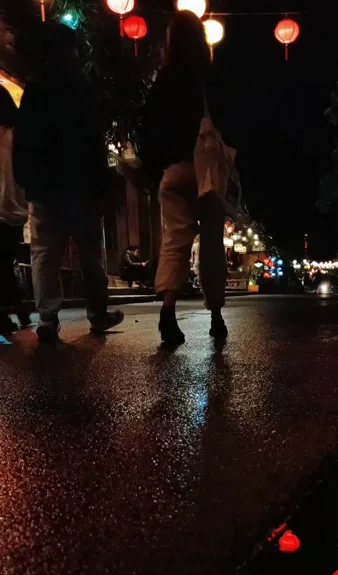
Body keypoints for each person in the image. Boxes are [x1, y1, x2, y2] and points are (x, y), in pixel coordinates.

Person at [13, 21, 123, 342]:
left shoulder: (34, 90)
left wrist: (25, 179)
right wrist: (101, 186)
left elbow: (23, 142)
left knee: (44, 253)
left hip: (44, 188)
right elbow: (92, 142)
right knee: (90, 253)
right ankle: (97, 315)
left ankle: (47, 318)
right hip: (80, 187)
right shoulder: (79, 87)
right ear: (69, 51)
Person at [140, 10, 227, 345]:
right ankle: (216, 316)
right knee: (212, 245)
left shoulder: (163, 81)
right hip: (206, 173)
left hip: (173, 170)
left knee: (175, 240)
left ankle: (168, 309)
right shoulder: (209, 77)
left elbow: (147, 131)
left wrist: (156, 169)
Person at [0, 86, 31, 335]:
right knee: (4, 260)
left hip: (2, 209)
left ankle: (12, 310)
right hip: (16, 211)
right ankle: (18, 306)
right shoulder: (20, 136)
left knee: (1, 262)